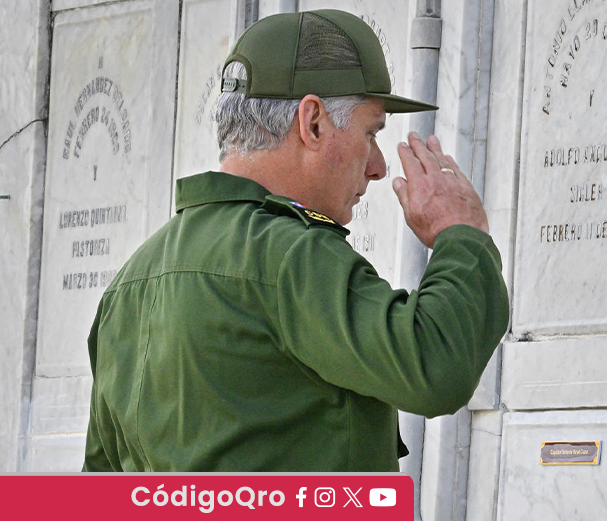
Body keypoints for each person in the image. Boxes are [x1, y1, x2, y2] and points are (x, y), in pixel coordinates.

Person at [81, 10, 508, 471]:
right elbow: (434, 365)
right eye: (371, 133)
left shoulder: (129, 284)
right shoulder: (289, 254)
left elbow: (100, 488)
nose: (379, 166)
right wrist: (459, 234)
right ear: (313, 123)